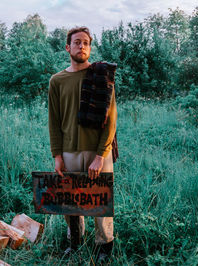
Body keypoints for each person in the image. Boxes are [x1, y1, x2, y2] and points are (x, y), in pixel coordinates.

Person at [47, 26, 117, 261]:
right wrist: (57, 154)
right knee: (72, 201)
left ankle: (104, 246)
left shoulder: (102, 76)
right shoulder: (57, 80)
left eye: (86, 42)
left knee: (101, 202)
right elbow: (54, 121)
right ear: (68, 47)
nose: (82, 46)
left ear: (90, 47)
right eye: (77, 42)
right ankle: (74, 242)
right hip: (69, 151)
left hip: (98, 151)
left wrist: (100, 155)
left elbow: (111, 120)